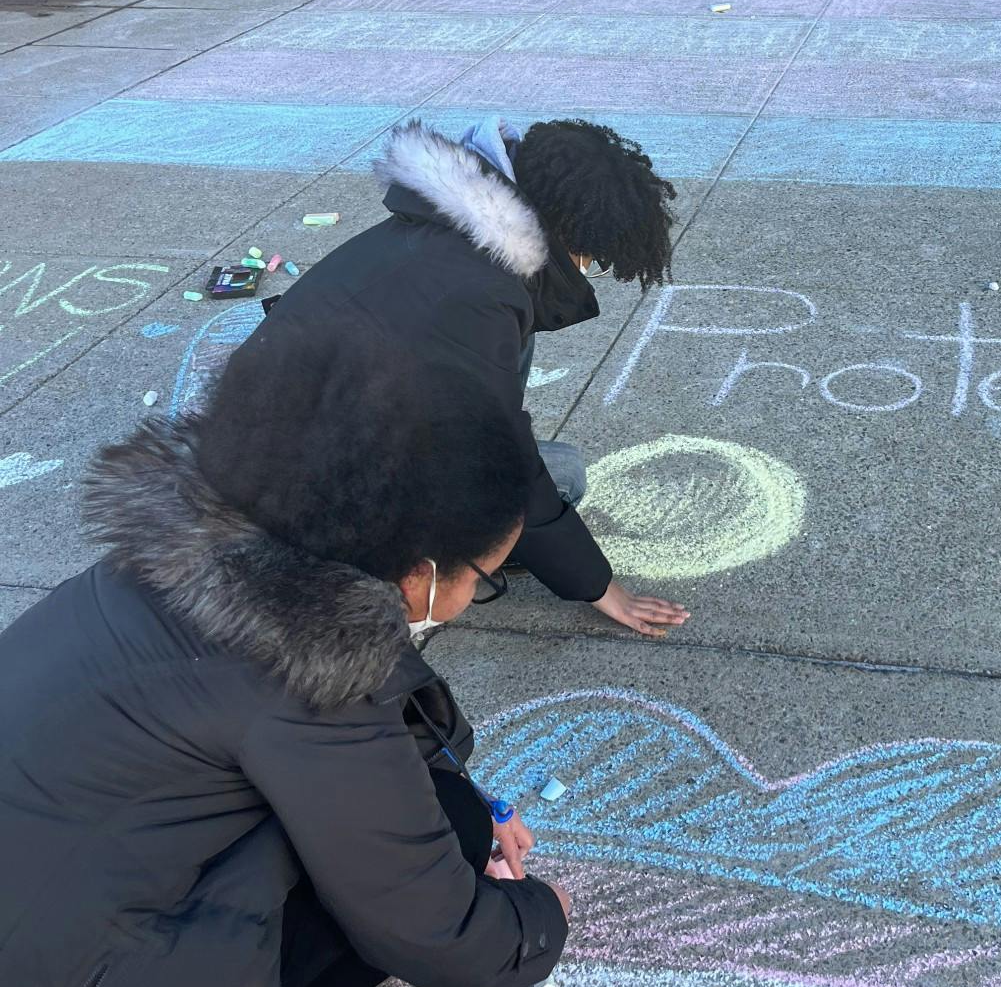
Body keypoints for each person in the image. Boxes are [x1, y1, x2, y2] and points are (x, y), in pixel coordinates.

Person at [0, 326, 568, 987]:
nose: (475, 598)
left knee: (439, 815)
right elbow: (433, 932)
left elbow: (379, 744)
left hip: (43, 892)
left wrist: (458, 796)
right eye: (487, 581)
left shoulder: (200, 563)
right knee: (400, 873)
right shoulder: (309, 684)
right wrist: (535, 916)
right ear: (421, 567)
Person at [253, 115, 689, 639]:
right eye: (590, 255)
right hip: (310, 493)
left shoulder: (442, 238)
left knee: (558, 467)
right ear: (565, 231)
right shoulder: (477, 298)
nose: (589, 267)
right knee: (557, 482)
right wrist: (598, 587)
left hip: (280, 440)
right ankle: (403, 574)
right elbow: (504, 460)